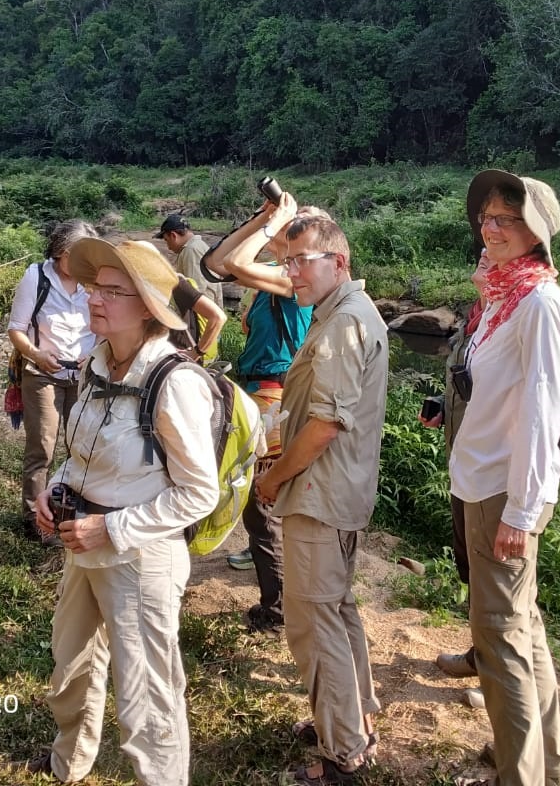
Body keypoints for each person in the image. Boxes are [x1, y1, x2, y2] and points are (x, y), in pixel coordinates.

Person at [29, 238, 219, 786]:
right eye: (95, 288)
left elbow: (197, 492)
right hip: (82, 543)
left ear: (149, 308)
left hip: (139, 558)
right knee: (72, 666)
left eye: (114, 291)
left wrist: (109, 527)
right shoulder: (97, 362)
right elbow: (82, 452)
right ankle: (70, 763)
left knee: (147, 696)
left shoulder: (173, 383)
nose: (96, 300)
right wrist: (56, 489)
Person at [255, 215, 388, 786]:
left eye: (301, 260)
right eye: (287, 261)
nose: (291, 272)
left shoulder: (342, 325)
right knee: (337, 610)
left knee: (313, 624)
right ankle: (353, 719)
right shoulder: (340, 313)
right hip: (335, 491)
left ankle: (344, 754)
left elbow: (326, 424)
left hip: (320, 492)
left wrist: (273, 478)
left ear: (339, 260)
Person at [450, 169, 560, 786]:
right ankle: (544, 762)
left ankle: (518, 774)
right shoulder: (501, 297)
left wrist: (522, 513)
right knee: (523, 627)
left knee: (498, 641)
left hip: (506, 490)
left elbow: (542, 411)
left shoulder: (542, 304)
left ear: (536, 233)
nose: (490, 228)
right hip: (483, 479)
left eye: (507, 219)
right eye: (487, 218)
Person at [208, 192, 325, 632]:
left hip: (274, 396)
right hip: (257, 390)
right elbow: (221, 262)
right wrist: (264, 219)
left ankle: (277, 610)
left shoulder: (292, 281)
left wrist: (273, 224)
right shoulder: (272, 280)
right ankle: (281, 599)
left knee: (262, 500)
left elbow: (235, 265)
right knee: (262, 501)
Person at [6, 219, 98, 542]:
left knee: (81, 446)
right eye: (82, 256)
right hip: (42, 374)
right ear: (63, 253)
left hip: (84, 376)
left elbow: (102, 324)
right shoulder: (37, 277)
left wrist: (98, 353)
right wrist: (36, 354)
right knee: (42, 447)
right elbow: (15, 329)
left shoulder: (93, 280)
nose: (88, 262)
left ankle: (70, 512)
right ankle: (34, 518)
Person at [421, 296, 486, 706]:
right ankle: (480, 656)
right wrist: (444, 409)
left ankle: (496, 678)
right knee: (472, 571)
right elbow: (470, 388)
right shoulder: (475, 319)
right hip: (464, 467)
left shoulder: (519, 316)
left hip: (493, 477)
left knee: (498, 587)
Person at [157, 213, 223, 306]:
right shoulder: (196, 246)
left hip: (201, 314)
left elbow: (194, 290)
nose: (168, 247)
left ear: (173, 235)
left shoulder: (192, 250)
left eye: (167, 240)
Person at [168, 271, 227, 363]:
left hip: (180, 361)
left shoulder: (176, 284)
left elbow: (218, 317)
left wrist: (196, 352)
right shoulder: (143, 285)